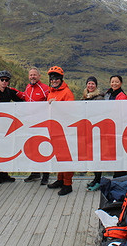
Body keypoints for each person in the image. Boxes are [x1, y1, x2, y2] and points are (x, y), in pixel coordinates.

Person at [45, 66, 75, 196]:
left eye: (57, 78)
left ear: (61, 79)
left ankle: (68, 184)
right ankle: (60, 179)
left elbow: (71, 110)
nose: (54, 81)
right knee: (58, 156)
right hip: (54, 128)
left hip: (65, 129)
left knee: (66, 157)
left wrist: (57, 105)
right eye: (52, 78)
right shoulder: (51, 92)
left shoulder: (67, 92)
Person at [0, 69, 23, 183]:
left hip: (6, 125)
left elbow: (21, 101)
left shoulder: (10, 92)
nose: (4, 82)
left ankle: (4, 173)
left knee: (5, 150)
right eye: (2, 80)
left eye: (6, 80)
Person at [23, 67, 51, 185]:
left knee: (44, 148)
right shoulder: (28, 87)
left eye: (35, 75)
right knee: (33, 149)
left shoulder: (45, 88)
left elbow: (51, 102)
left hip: (43, 123)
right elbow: (24, 98)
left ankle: (46, 175)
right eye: (31, 75)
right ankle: (35, 173)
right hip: (31, 123)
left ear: (39, 76)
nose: (32, 77)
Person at [81, 76, 105, 191]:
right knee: (92, 156)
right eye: (89, 83)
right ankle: (96, 179)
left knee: (97, 156)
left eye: (93, 84)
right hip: (87, 130)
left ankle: (98, 180)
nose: (90, 86)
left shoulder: (99, 98)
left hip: (97, 131)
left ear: (96, 85)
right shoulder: (85, 96)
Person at [105, 75, 127, 179]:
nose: (114, 84)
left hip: (118, 128)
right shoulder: (108, 93)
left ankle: (120, 177)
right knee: (113, 152)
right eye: (112, 82)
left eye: (117, 82)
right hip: (109, 127)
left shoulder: (121, 95)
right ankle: (117, 176)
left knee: (119, 152)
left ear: (121, 83)